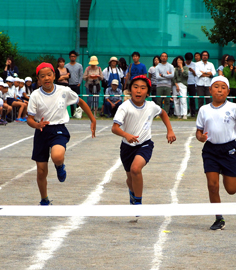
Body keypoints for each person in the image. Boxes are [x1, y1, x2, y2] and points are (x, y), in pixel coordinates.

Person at [27, 62, 96, 205]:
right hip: (41, 131)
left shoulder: (64, 91)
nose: (46, 78)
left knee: (57, 156)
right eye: (42, 76)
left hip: (58, 129)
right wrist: (37, 124)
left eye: (49, 75)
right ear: (38, 79)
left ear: (54, 76)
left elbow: (81, 102)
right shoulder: (35, 95)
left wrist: (93, 119)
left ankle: (59, 166)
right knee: (41, 171)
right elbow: (29, 119)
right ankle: (44, 200)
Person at [196, 76, 236, 230]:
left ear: (228, 91)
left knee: (231, 190)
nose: (219, 90)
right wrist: (200, 137)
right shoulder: (203, 109)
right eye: (216, 86)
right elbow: (199, 131)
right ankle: (219, 218)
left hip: (229, 150)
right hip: (210, 150)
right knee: (212, 186)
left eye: (223, 87)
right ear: (210, 90)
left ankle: (223, 171)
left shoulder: (234, 108)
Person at [112, 75, 176, 206]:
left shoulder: (151, 106)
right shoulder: (124, 107)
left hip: (144, 144)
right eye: (135, 87)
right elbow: (114, 128)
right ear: (130, 90)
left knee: (136, 169)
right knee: (130, 179)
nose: (139, 91)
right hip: (127, 147)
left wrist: (170, 130)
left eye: (142, 88)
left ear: (147, 92)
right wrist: (126, 135)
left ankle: (138, 203)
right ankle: (132, 192)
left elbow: (163, 113)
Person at [67, 50, 83, 115]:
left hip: (76, 85)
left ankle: (78, 113)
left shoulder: (79, 66)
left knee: (77, 99)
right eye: (71, 56)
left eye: (74, 56)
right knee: (69, 100)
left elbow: (81, 75)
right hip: (69, 85)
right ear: (69, 57)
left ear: (76, 57)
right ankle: (71, 113)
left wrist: (79, 83)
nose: (73, 58)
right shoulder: (66, 66)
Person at [184, 52, 197, 117]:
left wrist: (193, 71)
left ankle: (193, 113)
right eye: (188, 60)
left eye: (190, 60)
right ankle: (185, 112)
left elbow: (196, 74)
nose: (189, 61)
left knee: (192, 99)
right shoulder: (183, 64)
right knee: (184, 99)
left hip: (192, 83)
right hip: (184, 83)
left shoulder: (194, 64)